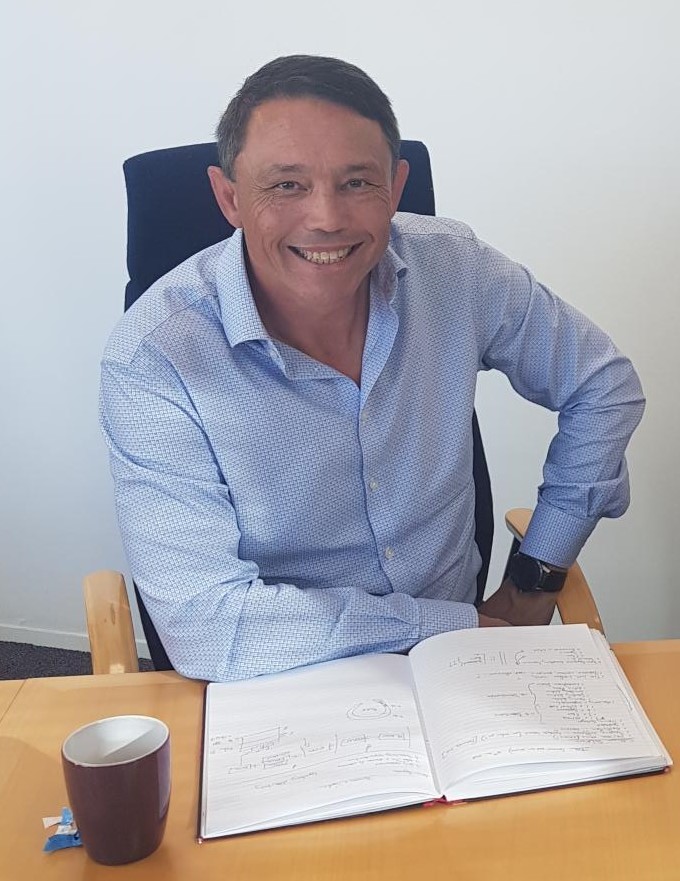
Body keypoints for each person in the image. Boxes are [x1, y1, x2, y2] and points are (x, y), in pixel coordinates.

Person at [100, 55, 645, 682]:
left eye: (358, 182)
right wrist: (442, 626)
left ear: (397, 184)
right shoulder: (155, 359)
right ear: (229, 197)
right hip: (281, 679)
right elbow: (205, 628)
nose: (327, 217)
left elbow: (604, 385)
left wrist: (535, 578)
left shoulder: (455, 269)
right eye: (286, 185)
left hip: (463, 665)